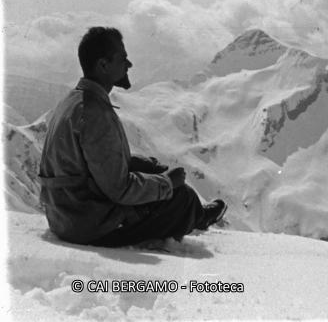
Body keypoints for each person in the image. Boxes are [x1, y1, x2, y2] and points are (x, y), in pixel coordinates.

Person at [37, 27, 226, 247]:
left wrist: (139, 164)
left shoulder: (74, 100)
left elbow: (91, 165)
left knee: (155, 176)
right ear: (103, 65)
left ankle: (194, 214)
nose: (129, 65)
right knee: (180, 196)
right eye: (123, 58)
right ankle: (196, 218)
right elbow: (120, 190)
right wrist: (166, 183)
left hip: (65, 214)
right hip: (88, 224)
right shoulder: (95, 113)